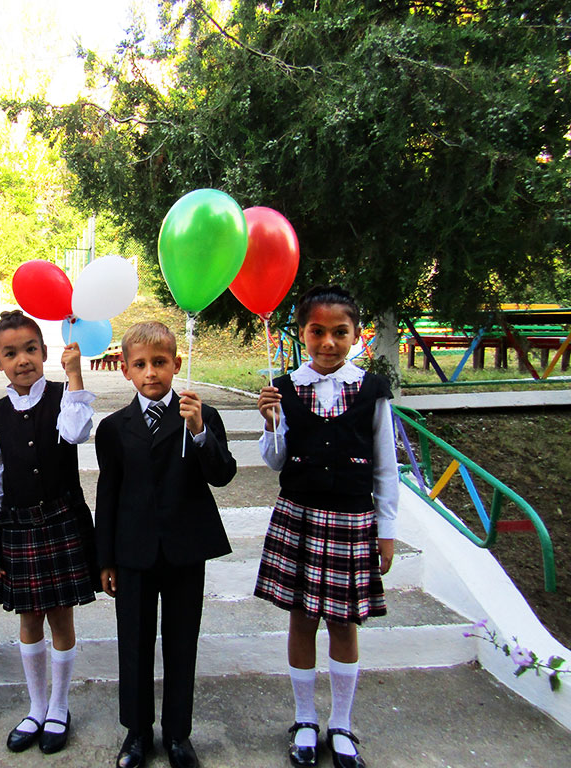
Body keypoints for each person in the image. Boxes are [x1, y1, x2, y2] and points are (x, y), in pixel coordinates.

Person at [254, 285, 398, 768]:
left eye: (340, 332)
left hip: (352, 519)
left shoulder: (372, 390)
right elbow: (276, 461)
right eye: (317, 332)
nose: (329, 343)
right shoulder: (284, 389)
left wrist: (386, 530)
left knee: (343, 622)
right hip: (298, 516)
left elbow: (386, 466)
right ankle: (304, 720)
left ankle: (341, 723)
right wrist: (271, 422)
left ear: (356, 335)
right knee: (301, 619)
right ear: (302, 333)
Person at [95, 321, 237, 768]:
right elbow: (108, 494)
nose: (150, 372)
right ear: (125, 370)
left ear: (176, 364)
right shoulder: (114, 428)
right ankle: (137, 732)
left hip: (184, 550)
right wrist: (105, 559)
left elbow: (222, 474)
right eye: (140, 364)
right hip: (133, 553)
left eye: (159, 363)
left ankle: (178, 733)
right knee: (134, 643)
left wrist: (199, 431)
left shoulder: (201, 415)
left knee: (181, 642)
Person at [0, 309, 99, 755]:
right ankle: (35, 707)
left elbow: (76, 432)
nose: (23, 360)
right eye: (11, 353)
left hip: (62, 520)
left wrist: (75, 377)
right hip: (17, 526)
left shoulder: (63, 396)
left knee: (60, 617)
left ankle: (59, 706)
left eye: (30, 349)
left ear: (45, 352)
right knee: (29, 619)